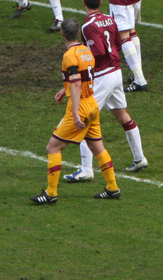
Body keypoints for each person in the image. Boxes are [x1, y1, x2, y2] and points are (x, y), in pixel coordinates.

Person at [60, 0, 149, 184]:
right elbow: (117, 43)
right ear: (101, 3)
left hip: (102, 75)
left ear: (83, 3)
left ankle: (85, 169)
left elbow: (98, 51)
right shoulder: (110, 19)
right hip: (116, 72)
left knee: (84, 117)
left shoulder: (86, 26)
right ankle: (139, 157)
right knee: (123, 115)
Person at [30, 17, 120, 205]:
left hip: (80, 107)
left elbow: (77, 83)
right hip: (92, 104)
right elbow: (83, 76)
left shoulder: (69, 56)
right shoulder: (86, 50)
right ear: (78, 33)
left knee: (52, 147)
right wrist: (66, 89)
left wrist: (76, 113)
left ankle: (51, 193)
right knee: (97, 147)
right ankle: (112, 188)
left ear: (62, 34)